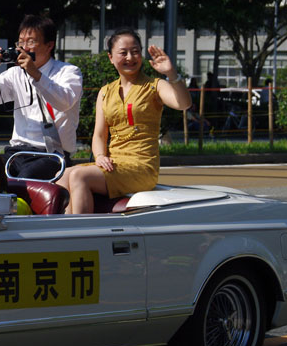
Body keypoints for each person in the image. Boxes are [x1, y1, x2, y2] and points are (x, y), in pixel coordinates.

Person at [56, 28, 192, 214]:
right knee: (64, 176)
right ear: (111, 57)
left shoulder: (155, 85)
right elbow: (99, 134)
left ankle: (80, 233)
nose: (130, 57)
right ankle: (62, 232)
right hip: (113, 162)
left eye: (135, 51)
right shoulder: (105, 92)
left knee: (79, 175)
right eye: (123, 52)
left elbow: (183, 103)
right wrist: (100, 157)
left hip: (141, 165)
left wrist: (172, 74)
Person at [0, 14, 83, 181]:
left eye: (31, 42)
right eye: (20, 42)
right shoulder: (15, 73)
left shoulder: (68, 72)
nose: (24, 48)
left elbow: (64, 101)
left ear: (49, 45)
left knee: (25, 179)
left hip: (51, 155)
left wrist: (36, 74)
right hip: (16, 152)